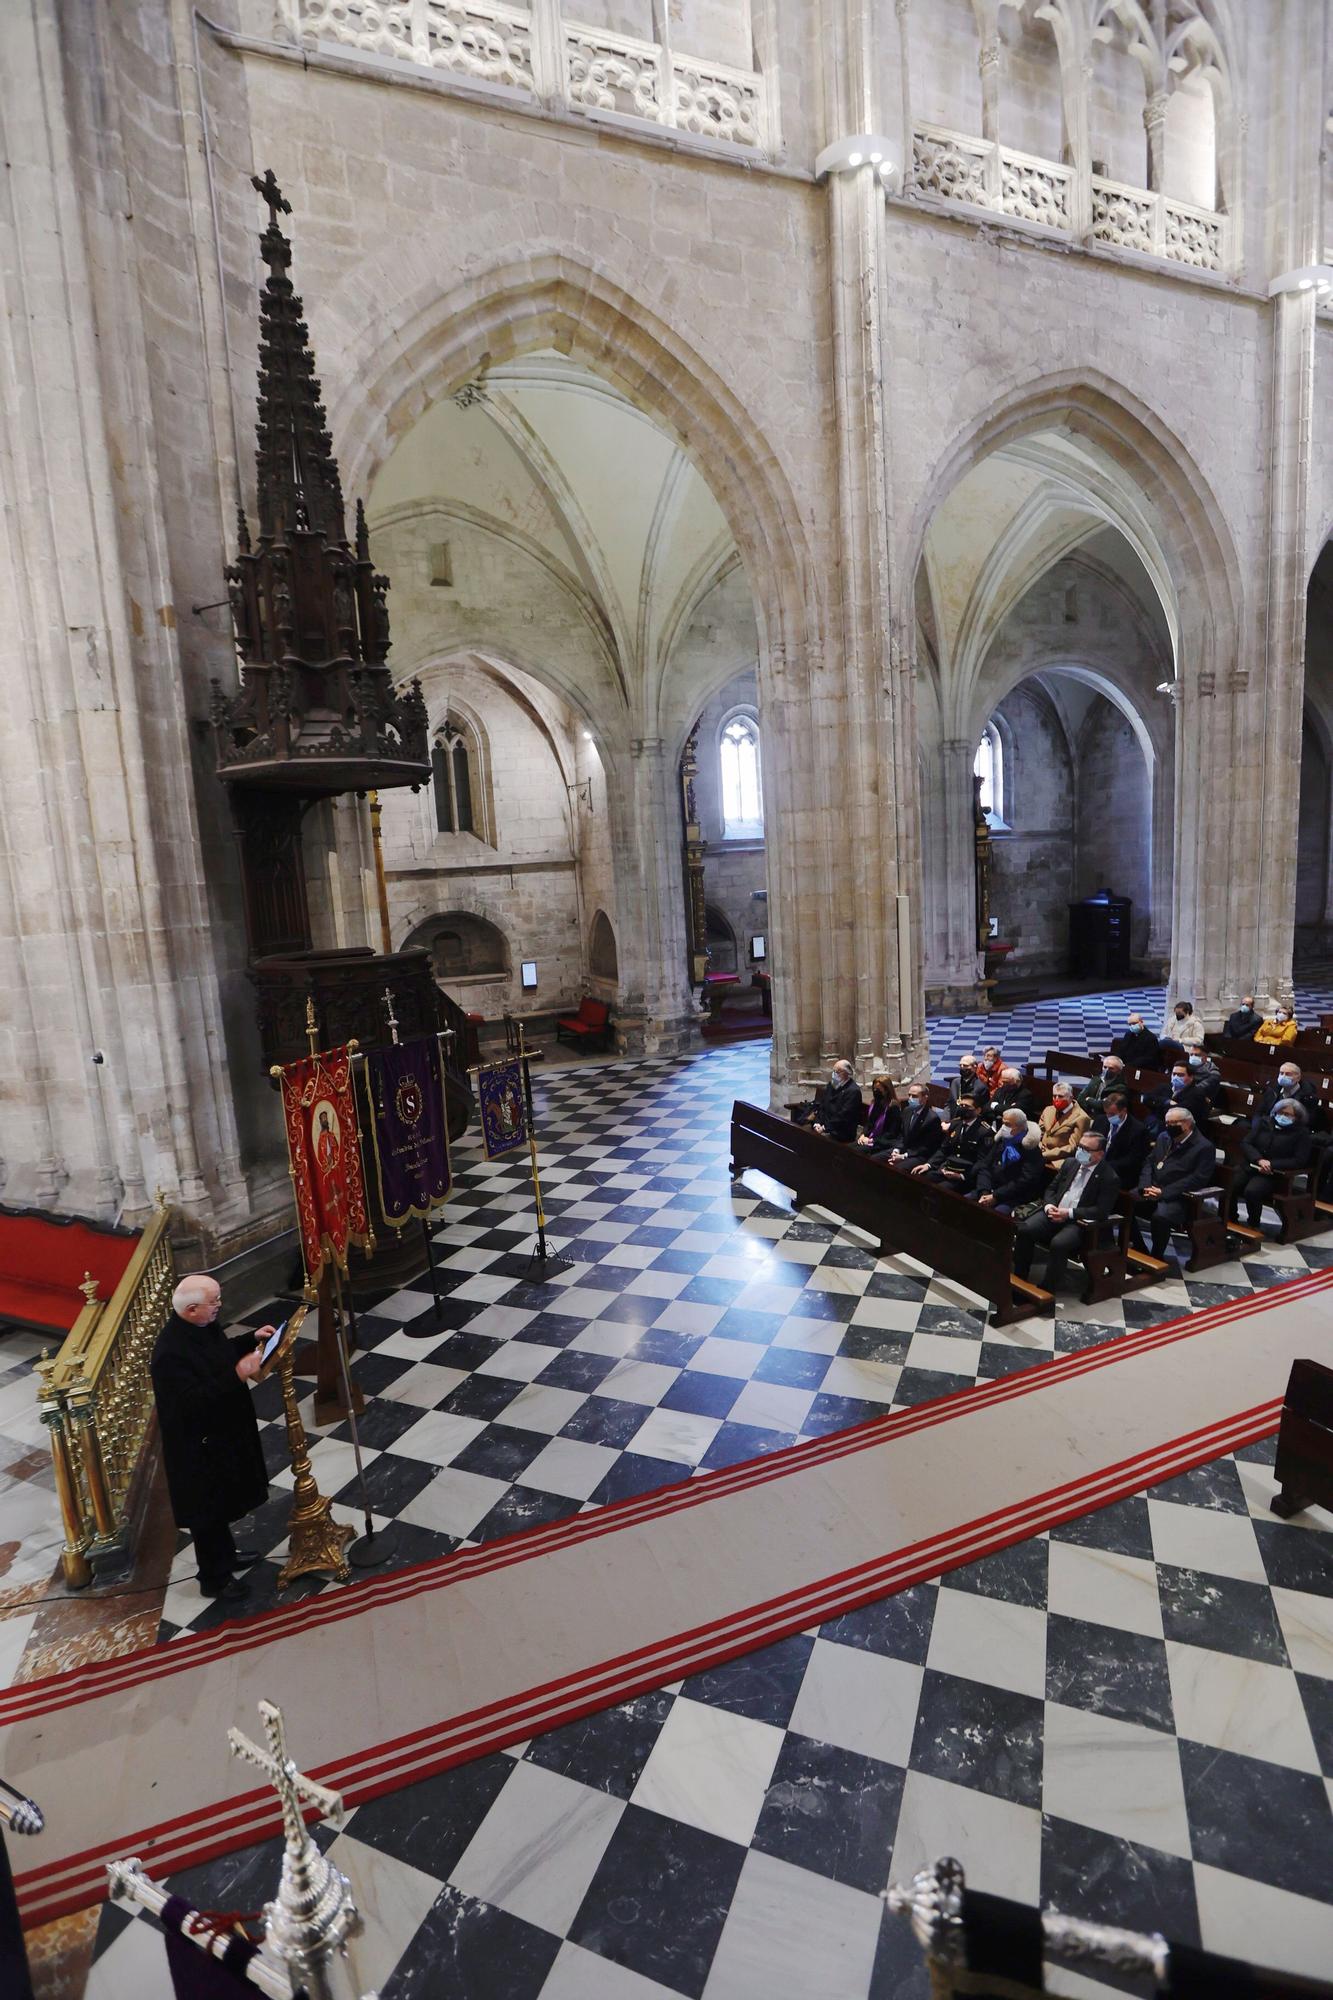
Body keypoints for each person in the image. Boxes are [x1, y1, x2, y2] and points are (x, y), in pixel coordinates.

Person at [150, 1274, 274, 1601]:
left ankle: (228, 1557)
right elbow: (193, 1401)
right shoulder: (169, 1354)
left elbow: (217, 1354)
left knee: (222, 1505)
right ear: (191, 1309)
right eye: (214, 1301)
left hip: (220, 1433)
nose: (219, 1305)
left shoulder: (200, 1326)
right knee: (208, 1514)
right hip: (197, 1447)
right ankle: (214, 1579)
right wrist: (238, 1374)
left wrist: (250, 1339)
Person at [1013, 1131, 1120, 1292]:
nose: (1080, 1151)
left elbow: (1101, 1211)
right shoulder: (1070, 1163)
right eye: (1079, 1146)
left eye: (1086, 1149)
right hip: (1053, 1211)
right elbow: (1051, 1189)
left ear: (1099, 1154)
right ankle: (1019, 1277)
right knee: (1025, 1229)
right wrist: (1049, 1206)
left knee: (1059, 1243)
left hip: (1078, 1222)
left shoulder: (1109, 1177)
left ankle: (1047, 1289)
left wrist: (1068, 1213)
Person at [1130, 1109, 1218, 1260]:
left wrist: (1163, 1192)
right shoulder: (1164, 1137)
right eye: (1167, 1123)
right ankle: (1139, 1247)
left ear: (1188, 1123)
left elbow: (1198, 1179)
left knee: (1161, 1217)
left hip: (1180, 1197)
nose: (1168, 1126)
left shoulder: (1204, 1147)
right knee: (1125, 1201)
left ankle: (1157, 1256)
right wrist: (1145, 1186)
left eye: (1173, 1123)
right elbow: (1149, 1162)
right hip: (1152, 1188)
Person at [1228, 1100, 1312, 1230]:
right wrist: (1258, 1159)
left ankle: (1253, 1224)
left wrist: (1271, 1164)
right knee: (1230, 1183)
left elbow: (1299, 1160)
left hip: (1274, 1174)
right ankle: (1231, 1218)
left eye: (1288, 1114)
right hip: (1252, 1165)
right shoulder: (1265, 1123)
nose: (1283, 1116)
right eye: (1281, 1112)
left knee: (1252, 1191)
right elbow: (1246, 1142)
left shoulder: (1301, 1133)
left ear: (1297, 1117)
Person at [972, 1110, 1047, 1214]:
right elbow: (985, 1166)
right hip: (990, 1189)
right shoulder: (1003, 1140)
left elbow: (1024, 1182)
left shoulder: (1032, 1150)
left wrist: (996, 1196)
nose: (1003, 1127)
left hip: (1013, 1197)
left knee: (996, 1215)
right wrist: (984, 1191)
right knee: (966, 1201)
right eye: (1003, 1123)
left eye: (1007, 1124)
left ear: (1020, 1127)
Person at [916, 1095, 992, 1190]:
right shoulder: (955, 1123)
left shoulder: (984, 1131)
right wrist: (928, 1165)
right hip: (947, 1168)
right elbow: (944, 1149)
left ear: (978, 1110)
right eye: (961, 1105)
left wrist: (961, 1176)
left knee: (940, 1189)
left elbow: (982, 1162)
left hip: (965, 1175)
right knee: (921, 1177)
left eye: (967, 1106)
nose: (963, 1108)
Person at [1092, 1090, 1152, 1189]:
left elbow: (1134, 1160)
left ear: (1124, 1111)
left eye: (1112, 1114)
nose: (1108, 1117)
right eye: (1106, 1113)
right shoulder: (1100, 1120)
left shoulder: (1138, 1130)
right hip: (1095, 1167)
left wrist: (1103, 1167)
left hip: (1119, 1174)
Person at [800, 1059, 863, 1141]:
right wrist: (817, 1123)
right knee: (801, 1134)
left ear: (846, 1072)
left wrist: (825, 1128)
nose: (834, 1074)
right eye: (834, 1071)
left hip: (840, 1131)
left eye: (837, 1072)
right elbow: (822, 1106)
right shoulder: (832, 1085)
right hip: (825, 1126)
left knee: (809, 1141)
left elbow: (843, 1116)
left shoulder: (853, 1091)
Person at [886, 1084, 944, 1171]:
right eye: (909, 1095)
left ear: (925, 1098)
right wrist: (896, 1150)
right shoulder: (907, 1110)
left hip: (918, 1155)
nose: (910, 1099)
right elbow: (902, 1134)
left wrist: (903, 1156)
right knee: (877, 1158)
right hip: (903, 1149)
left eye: (914, 1096)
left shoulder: (932, 1118)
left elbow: (926, 1147)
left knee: (896, 1169)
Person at [1147, 1061, 1213, 1135]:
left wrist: (1157, 1105)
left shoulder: (1197, 1094)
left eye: (1180, 1075)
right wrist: (1166, 1101)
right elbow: (1146, 1098)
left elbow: (1174, 1112)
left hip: (1182, 1131)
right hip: (1160, 1127)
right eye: (1174, 1074)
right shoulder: (1164, 1087)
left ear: (1191, 1077)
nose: (1176, 1077)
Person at [1036, 1082, 1089, 1174]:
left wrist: (1046, 1154)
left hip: (1058, 1160)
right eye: (1054, 1096)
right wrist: (1039, 1148)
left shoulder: (1081, 1117)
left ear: (1071, 1097)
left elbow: (1072, 1147)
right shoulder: (1048, 1110)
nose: (1056, 1099)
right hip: (1040, 1152)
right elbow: (1038, 1133)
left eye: (1060, 1096)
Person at [1256, 1061, 1324, 1130]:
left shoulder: (1308, 1097)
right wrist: (1258, 1126)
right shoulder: (1272, 1091)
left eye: (1288, 1074)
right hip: (1268, 1129)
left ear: (1298, 1078)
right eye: (1281, 1073)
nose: (1283, 1076)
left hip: (1292, 1133)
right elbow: (1259, 1113)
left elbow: (1305, 1122)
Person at [857, 1076, 903, 1157]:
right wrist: (863, 1134)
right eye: (874, 1089)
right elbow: (869, 1123)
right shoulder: (875, 1103)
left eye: (878, 1089)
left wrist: (872, 1140)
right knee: (848, 1148)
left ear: (886, 1090)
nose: (875, 1092)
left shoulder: (893, 1107)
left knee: (857, 1152)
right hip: (869, 1138)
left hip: (882, 1142)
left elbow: (891, 1133)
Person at [947, 1054, 990, 1119]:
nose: (962, 1068)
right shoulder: (955, 1082)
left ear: (975, 1067)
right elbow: (949, 1103)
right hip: (953, 1120)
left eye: (965, 1066)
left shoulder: (981, 1087)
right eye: (960, 1065)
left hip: (969, 1120)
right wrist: (945, 1119)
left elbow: (982, 1111)